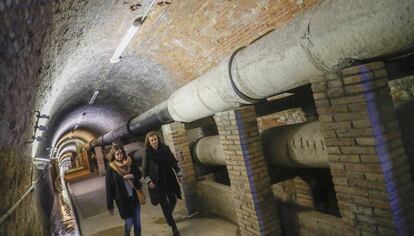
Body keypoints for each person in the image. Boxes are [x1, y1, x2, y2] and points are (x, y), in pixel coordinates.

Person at [143, 131, 182, 236]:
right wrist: (149, 181)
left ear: (158, 139)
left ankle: (167, 215)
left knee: (173, 199)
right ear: (149, 142)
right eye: (152, 140)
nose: (154, 141)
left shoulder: (165, 148)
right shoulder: (147, 153)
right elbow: (145, 169)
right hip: (157, 183)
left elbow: (173, 161)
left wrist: (179, 173)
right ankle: (174, 228)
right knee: (164, 205)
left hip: (168, 179)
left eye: (155, 139)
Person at [106, 143, 142, 236]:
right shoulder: (111, 169)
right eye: (117, 154)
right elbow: (109, 188)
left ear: (123, 153)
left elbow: (139, 174)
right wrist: (110, 205)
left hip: (134, 197)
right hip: (123, 201)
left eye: (121, 153)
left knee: (137, 223)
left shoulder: (129, 162)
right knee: (129, 223)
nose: (119, 155)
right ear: (113, 155)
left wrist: (132, 175)